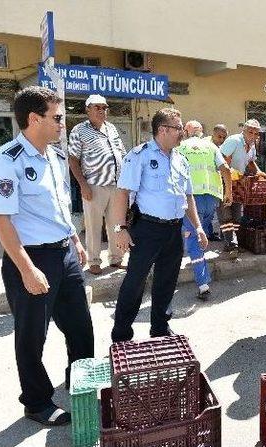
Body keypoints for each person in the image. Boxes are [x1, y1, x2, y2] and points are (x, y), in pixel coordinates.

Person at [0, 86, 94, 425]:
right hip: (30, 258)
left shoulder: (55, 157)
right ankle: (37, 402)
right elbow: (1, 220)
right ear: (34, 119)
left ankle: (83, 387)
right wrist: (27, 269)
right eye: (57, 117)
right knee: (32, 337)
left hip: (63, 253)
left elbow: (58, 208)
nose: (62, 123)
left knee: (81, 329)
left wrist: (74, 238)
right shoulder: (6, 160)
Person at [110, 108, 208, 342]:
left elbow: (189, 196)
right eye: (178, 128)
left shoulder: (180, 159)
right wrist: (120, 229)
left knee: (167, 281)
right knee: (135, 282)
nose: (182, 132)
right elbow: (122, 193)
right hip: (146, 230)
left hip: (174, 230)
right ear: (163, 130)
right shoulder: (140, 155)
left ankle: (160, 328)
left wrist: (199, 227)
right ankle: (122, 334)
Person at [68, 94, 127, 275]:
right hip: (94, 186)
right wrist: (83, 185)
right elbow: (72, 159)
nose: (102, 111)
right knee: (93, 225)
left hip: (116, 186)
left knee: (116, 224)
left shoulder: (112, 128)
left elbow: (122, 154)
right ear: (88, 109)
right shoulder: (79, 130)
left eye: (104, 108)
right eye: (97, 107)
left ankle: (116, 259)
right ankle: (94, 261)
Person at [179, 120, 233, 299]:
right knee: (199, 231)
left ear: (186, 132)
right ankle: (200, 266)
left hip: (191, 198)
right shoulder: (210, 147)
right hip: (211, 199)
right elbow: (225, 168)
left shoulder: (181, 146)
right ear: (201, 133)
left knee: (194, 237)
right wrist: (229, 193)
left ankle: (203, 283)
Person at [218, 119, 266, 254]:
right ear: (244, 131)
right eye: (250, 132)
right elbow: (221, 159)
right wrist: (229, 174)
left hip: (238, 183)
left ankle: (230, 241)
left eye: (255, 133)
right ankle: (232, 244)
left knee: (236, 215)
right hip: (224, 180)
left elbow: (250, 161)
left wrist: (258, 171)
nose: (253, 135)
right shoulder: (234, 140)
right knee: (226, 213)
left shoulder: (251, 145)